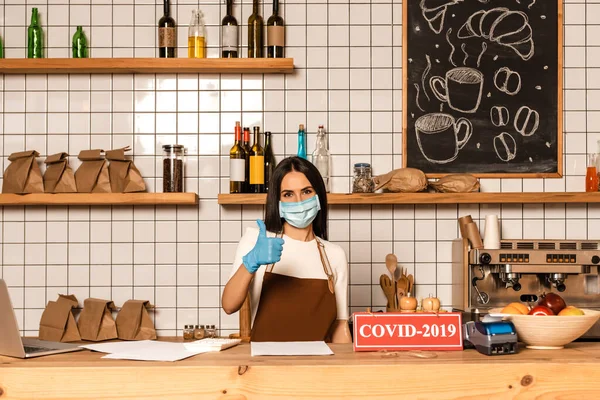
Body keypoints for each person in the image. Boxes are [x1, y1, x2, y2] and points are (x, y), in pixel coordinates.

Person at [222, 156, 352, 343]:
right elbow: (228, 305)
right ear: (278, 202)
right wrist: (251, 262)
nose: (299, 201)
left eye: (306, 191)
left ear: (318, 197)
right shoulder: (258, 242)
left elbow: (339, 327)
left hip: (318, 368)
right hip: (265, 366)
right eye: (288, 194)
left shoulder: (334, 255)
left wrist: (348, 365)